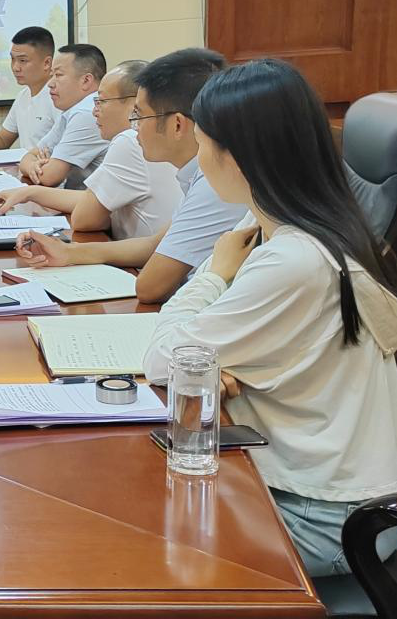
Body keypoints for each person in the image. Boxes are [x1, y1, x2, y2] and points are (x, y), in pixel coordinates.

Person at [140, 59, 397, 582]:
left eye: (204, 142)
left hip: (326, 519)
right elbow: (195, 353)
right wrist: (212, 359)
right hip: (313, 485)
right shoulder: (297, 220)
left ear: (239, 157)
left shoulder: (294, 259)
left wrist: (216, 275)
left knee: (141, 541)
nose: (201, 157)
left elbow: (164, 360)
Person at [15, 48, 246, 303]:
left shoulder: (216, 183)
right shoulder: (200, 172)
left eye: (140, 115)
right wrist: (69, 253)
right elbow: (154, 245)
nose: (134, 128)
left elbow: (149, 287)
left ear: (177, 124)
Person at [0, 60, 179, 239]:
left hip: (141, 260)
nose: (94, 111)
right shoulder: (153, 138)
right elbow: (92, 200)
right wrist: (29, 193)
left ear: (134, 103)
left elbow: (84, 219)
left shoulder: (129, 141)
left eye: (101, 101)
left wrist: (31, 192)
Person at [16, 43, 110, 189]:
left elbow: (49, 177)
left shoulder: (87, 113)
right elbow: (28, 157)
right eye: (51, 75)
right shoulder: (72, 110)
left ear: (86, 80)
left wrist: (36, 166)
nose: (50, 84)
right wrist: (33, 165)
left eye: (58, 75)